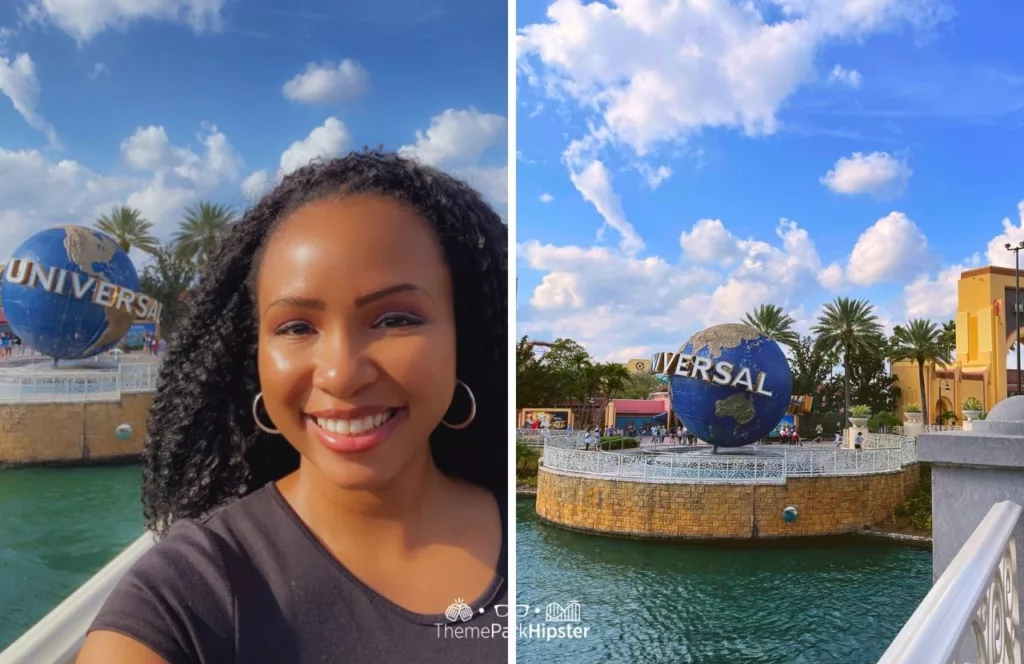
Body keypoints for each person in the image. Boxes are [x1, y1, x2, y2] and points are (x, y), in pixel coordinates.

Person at [79, 152, 508, 663]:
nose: (341, 373)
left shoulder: (529, 530)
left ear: (463, 336)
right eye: (297, 327)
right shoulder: (188, 595)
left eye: (394, 319)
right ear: (255, 354)